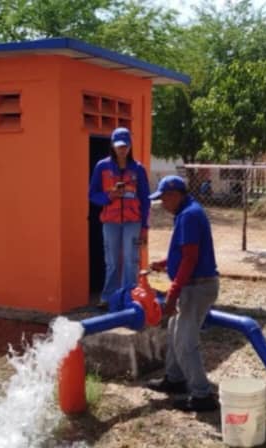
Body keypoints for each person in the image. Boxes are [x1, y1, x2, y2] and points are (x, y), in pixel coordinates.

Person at [144, 175, 220, 412]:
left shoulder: (188, 216)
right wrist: (165, 262)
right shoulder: (187, 211)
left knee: (186, 342)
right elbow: (186, 252)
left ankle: (202, 395)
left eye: (163, 198)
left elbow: (190, 258)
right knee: (176, 331)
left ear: (175, 195)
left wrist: (172, 294)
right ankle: (175, 379)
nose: (162, 204)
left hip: (196, 287)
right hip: (194, 284)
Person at [89, 128, 151, 307]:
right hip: (110, 222)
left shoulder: (138, 169)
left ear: (130, 146)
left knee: (131, 260)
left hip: (133, 221)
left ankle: (128, 298)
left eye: (125, 146)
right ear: (112, 146)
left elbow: (145, 199)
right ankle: (108, 297)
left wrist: (145, 227)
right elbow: (92, 194)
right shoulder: (102, 167)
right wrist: (110, 197)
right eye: (118, 146)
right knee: (112, 261)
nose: (122, 150)